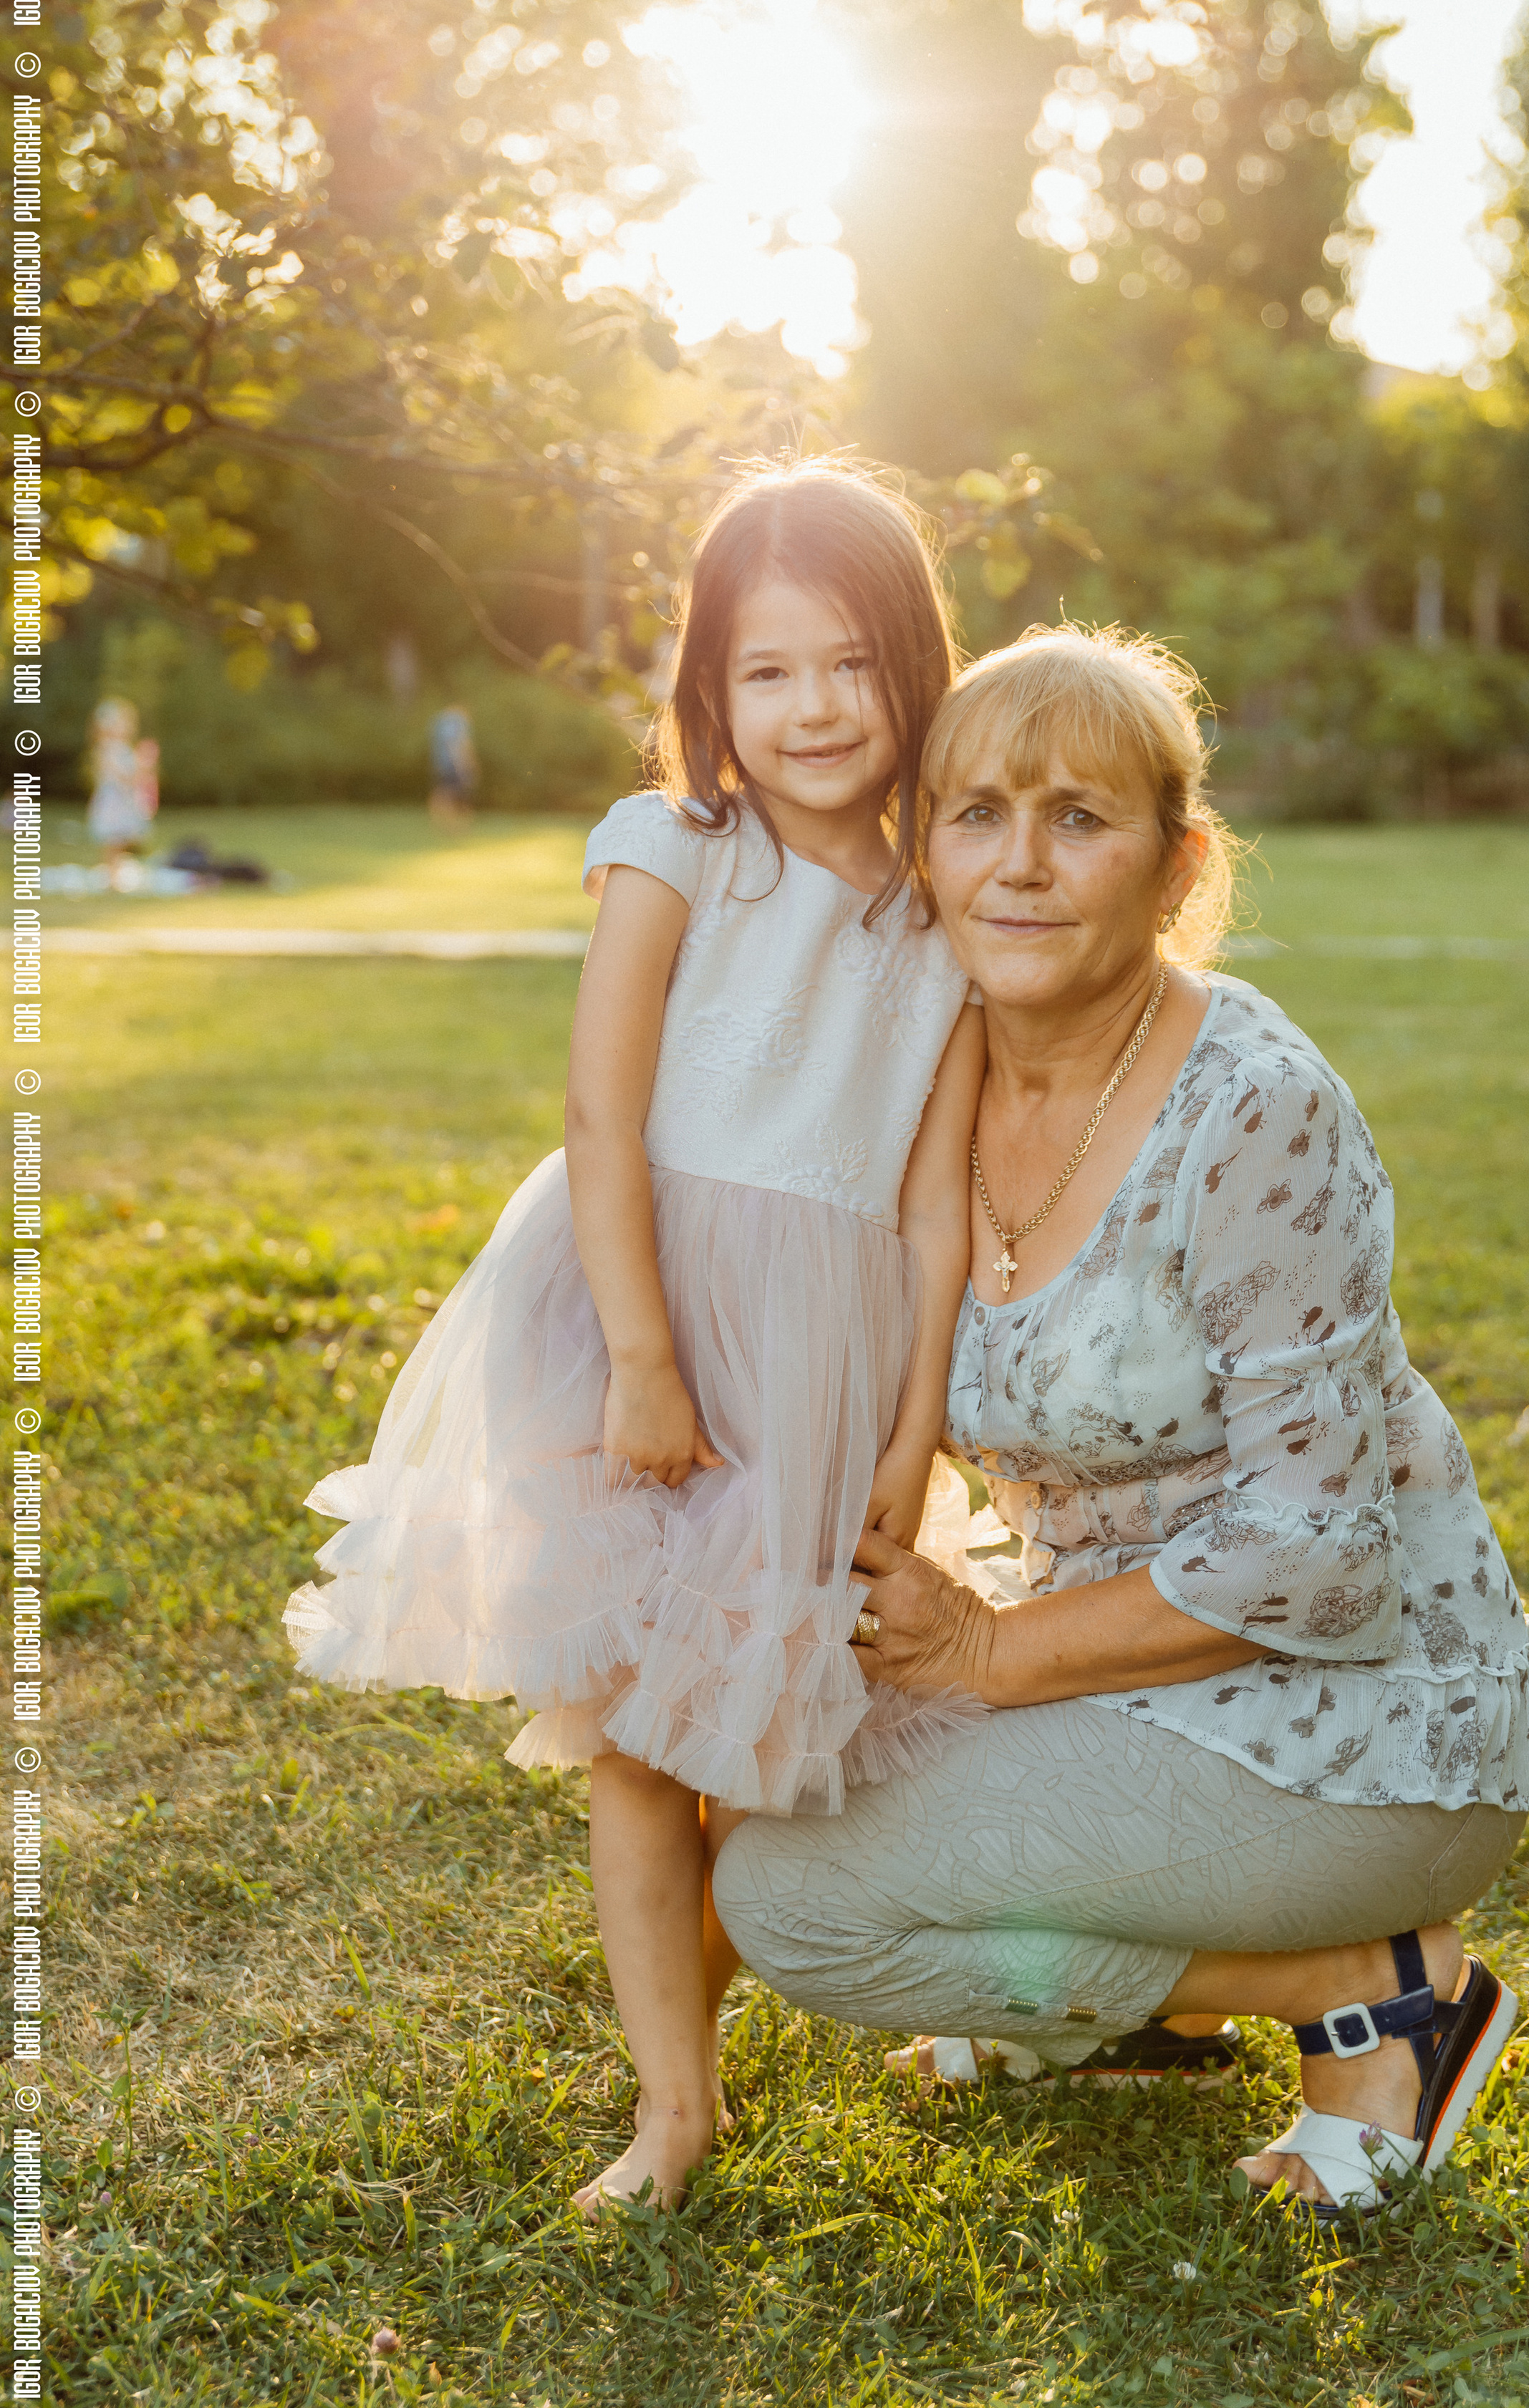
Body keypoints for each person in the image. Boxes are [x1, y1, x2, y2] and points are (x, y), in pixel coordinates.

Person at [713, 624, 1529, 2218]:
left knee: (796, 1907)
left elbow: (1318, 1561)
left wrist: (979, 1656)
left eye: (1077, 819)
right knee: (762, 1783)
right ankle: (1146, 2010)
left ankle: (1380, 1990)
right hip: (1100, 1680)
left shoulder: (1254, 1103)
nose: (1020, 866)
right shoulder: (923, 1075)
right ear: (923, 852)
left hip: (1361, 1729)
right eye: (975, 814)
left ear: (1174, 870)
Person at [284, 462, 986, 2213]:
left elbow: (930, 1205)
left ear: (914, 662)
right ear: (708, 688)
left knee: (772, 1718)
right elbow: (604, 1117)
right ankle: (676, 2105)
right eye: (767, 669)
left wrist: (907, 1434)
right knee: (635, 1731)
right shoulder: (673, 848)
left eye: (848, 663)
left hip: (826, 1349)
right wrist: (643, 1353)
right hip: (640, 1302)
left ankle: (837, 1981)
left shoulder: (942, 912)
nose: (812, 705)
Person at [87, 696, 159, 879]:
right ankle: (112, 877)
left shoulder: (125, 748)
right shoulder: (107, 748)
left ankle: (115, 873)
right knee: (113, 840)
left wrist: (143, 768)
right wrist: (137, 772)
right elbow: (118, 774)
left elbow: (133, 774)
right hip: (114, 800)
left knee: (124, 838)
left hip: (125, 799)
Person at [427, 702, 478, 827]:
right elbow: (457, 744)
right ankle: (453, 825)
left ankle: (446, 822)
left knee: (445, 791)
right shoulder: (456, 721)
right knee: (452, 792)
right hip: (453, 764)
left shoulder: (440, 720)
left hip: (442, 763)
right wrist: (463, 765)